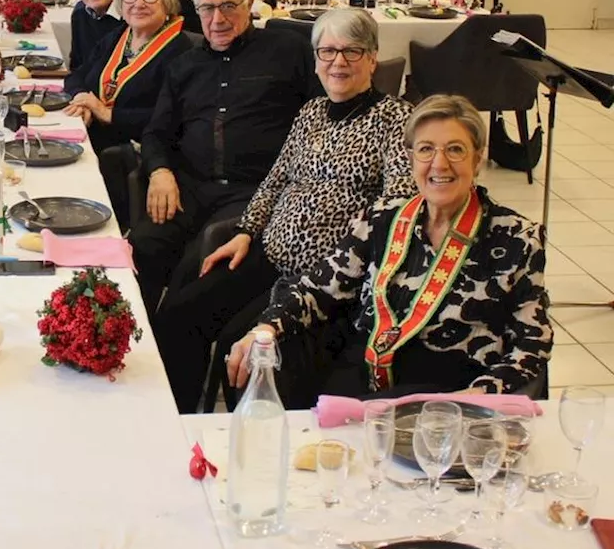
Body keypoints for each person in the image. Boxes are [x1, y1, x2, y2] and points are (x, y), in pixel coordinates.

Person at [154, 9, 415, 413]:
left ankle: (239, 437)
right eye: (327, 51)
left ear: (373, 58)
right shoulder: (310, 112)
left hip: (323, 279)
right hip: (268, 252)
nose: (338, 62)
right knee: (178, 315)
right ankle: (179, 418)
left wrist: (337, 268)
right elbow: (276, 180)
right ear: (315, 60)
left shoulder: (394, 118)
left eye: (352, 51)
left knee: (239, 346)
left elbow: (396, 206)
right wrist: (245, 230)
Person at [228, 94, 552, 405]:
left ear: (478, 159)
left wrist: (485, 392)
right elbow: (319, 288)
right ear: (411, 158)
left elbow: (532, 341)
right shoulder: (384, 216)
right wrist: (265, 328)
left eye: (455, 150)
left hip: (447, 392)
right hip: (364, 371)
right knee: (255, 361)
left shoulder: (516, 238)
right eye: (426, 149)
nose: (439, 164)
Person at [133, 0, 319, 311]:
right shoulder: (184, 66)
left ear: (249, 4)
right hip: (189, 189)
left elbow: (320, 120)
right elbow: (156, 132)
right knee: (142, 248)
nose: (217, 19)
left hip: (254, 193)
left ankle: (171, 347)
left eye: (228, 6)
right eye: (207, 8)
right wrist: (160, 171)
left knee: (191, 275)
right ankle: (132, 346)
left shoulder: (288, 51)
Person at [65, 0, 196, 230]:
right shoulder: (119, 36)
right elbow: (77, 75)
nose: (139, 3)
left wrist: (107, 113)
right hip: (92, 137)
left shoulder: (181, 51)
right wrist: (83, 99)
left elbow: (166, 119)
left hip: (133, 150)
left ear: (168, 3)